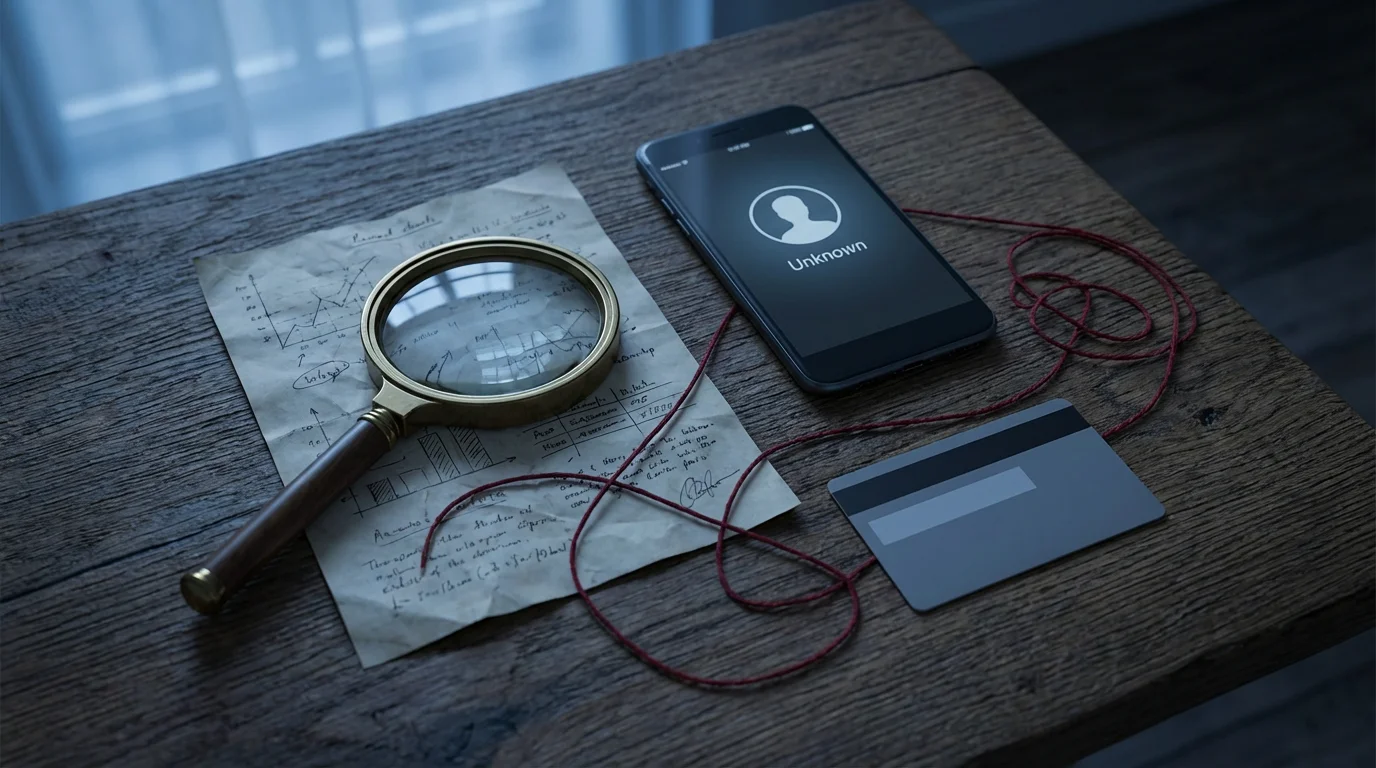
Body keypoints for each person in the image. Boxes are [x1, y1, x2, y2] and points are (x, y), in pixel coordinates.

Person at [771, 194, 838, 244]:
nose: (796, 211)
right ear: (782, 215)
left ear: (805, 207)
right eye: (789, 209)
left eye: (797, 206)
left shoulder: (829, 225)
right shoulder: (788, 238)